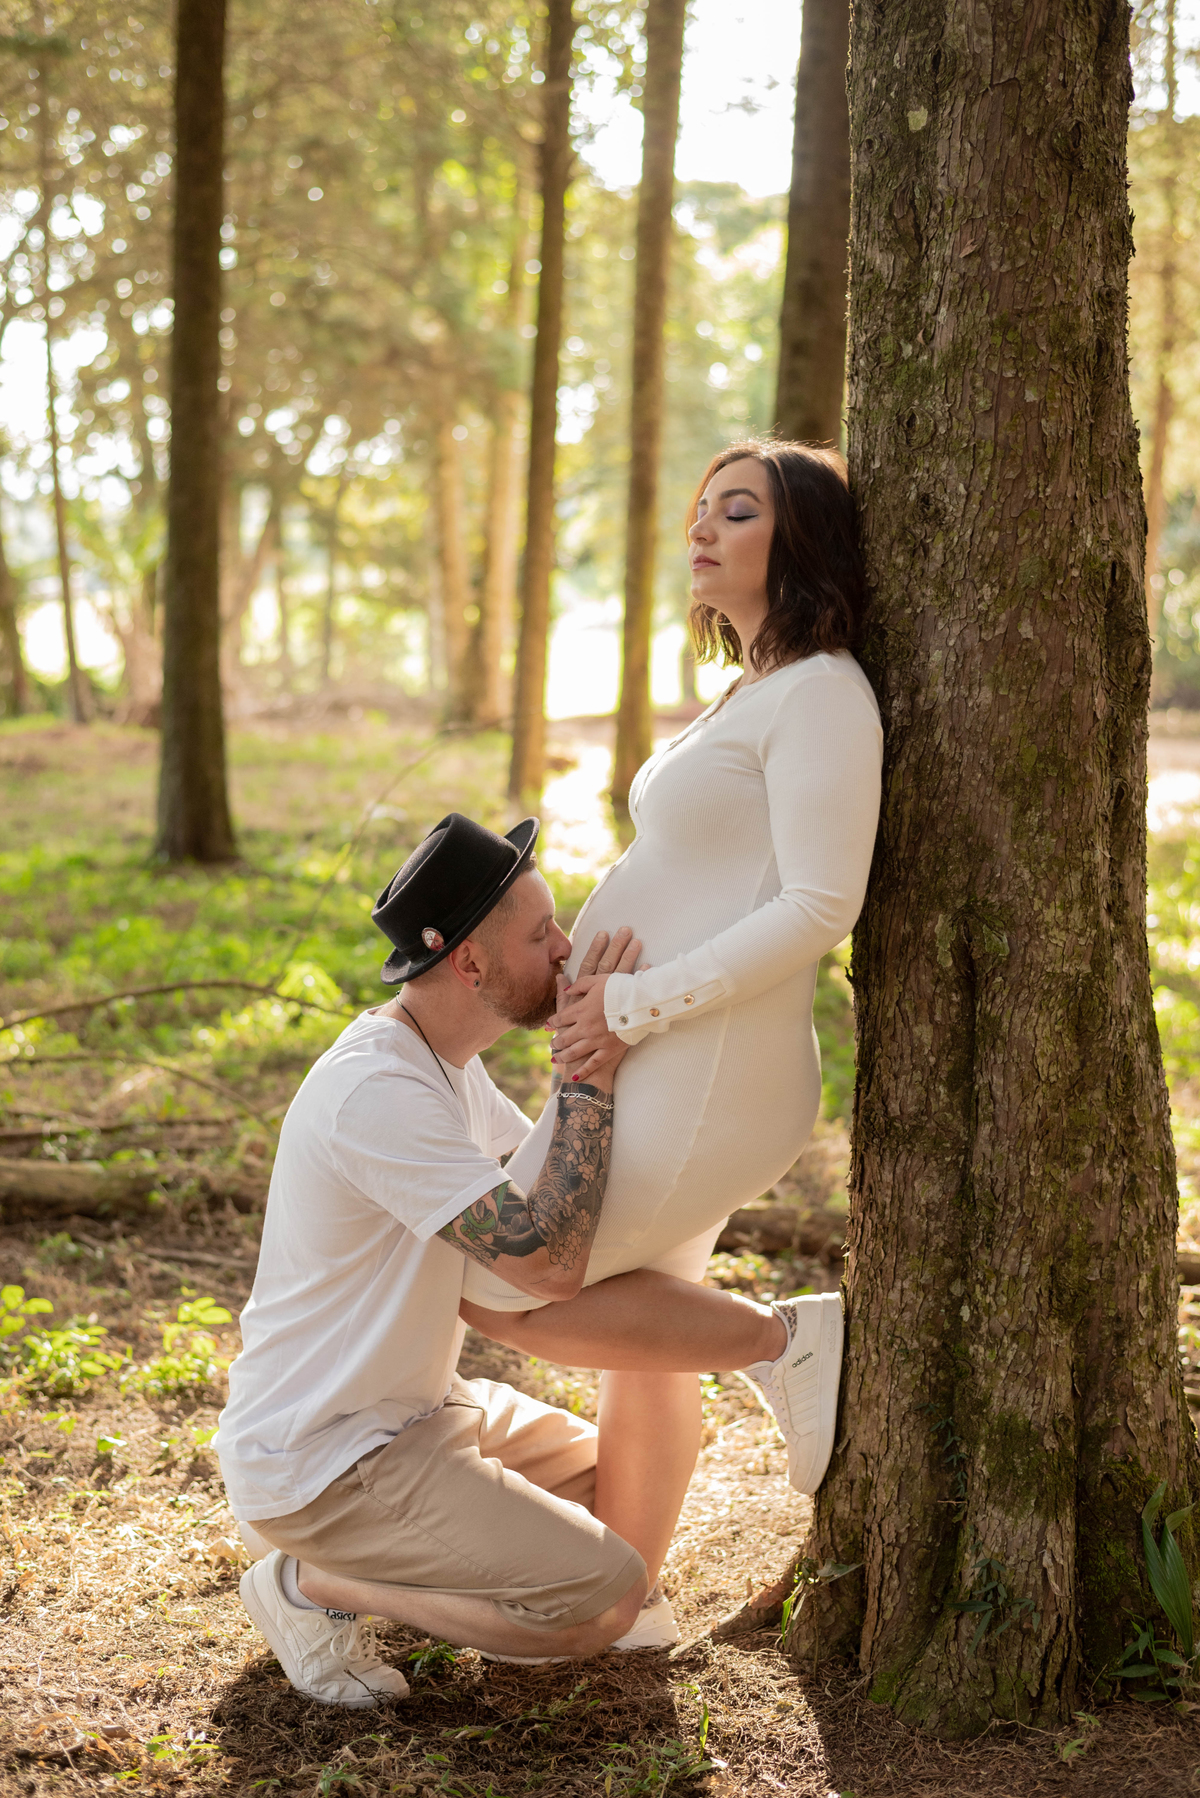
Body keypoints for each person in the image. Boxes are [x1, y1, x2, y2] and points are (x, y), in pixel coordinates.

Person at [216, 813, 822, 1707]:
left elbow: (561, 1187)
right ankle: (309, 1584)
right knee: (604, 1600)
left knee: (627, 1493)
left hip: (425, 1411)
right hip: (329, 1463)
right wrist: (587, 1072)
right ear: (469, 964)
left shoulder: (446, 1069)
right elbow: (546, 1265)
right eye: (542, 934)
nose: (566, 947)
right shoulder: (377, 1094)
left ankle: (782, 1353)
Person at [459, 439, 883, 1636]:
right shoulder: (754, 688)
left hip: (704, 1064)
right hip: (648, 1054)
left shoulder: (824, 693)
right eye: (700, 509)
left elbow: (821, 904)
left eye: (735, 511)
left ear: (799, 539)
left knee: (499, 1279)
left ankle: (782, 1340)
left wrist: (633, 1006)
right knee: (640, 1328)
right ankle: (627, 1598)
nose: (701, 529)